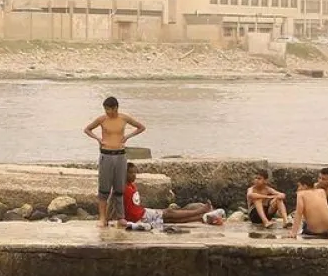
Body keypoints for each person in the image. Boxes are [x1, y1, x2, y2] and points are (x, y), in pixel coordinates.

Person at [83, 96, 146, 228]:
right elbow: (87, 129)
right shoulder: (102, 119)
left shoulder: (124, 118)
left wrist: (127, 136)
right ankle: (102, 218)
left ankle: (120, 217)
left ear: (115, 108)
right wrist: (98, 139)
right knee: (104, 189)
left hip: (120, 155)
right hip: (106, 154)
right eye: (105, 109)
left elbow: (141, 127)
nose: (107, 112)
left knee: (119, 188)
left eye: (109, 109)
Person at [124, 163, 224, 231]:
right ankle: (201, 210)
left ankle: (201, 217)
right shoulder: (123, 188)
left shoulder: (132, 186)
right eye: (131, 173)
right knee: (169, 212)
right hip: (140, 217)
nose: (134, 175)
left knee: (171, 219)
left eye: (135, 173)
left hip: (143, 213)